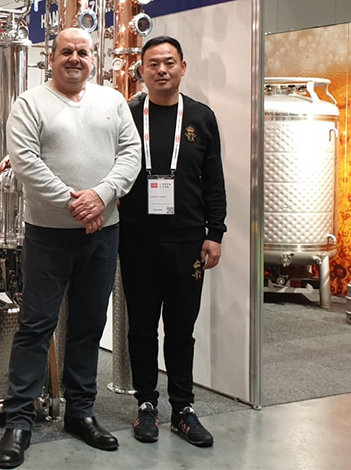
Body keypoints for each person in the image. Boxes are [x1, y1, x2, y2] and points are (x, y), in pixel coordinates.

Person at [0, 27, 141, 468]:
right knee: (36, 326)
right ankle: (19, 421)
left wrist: (101, 196)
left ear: (93, 58)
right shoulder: (30, 103)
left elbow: (131, 155)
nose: (74, 58)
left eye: (82, 51)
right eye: (66, 52)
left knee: (88, 325)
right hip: (48, 235)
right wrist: (75, 204)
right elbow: (26, 162)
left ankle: (80, 412)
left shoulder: (112, 101)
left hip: (103, 233)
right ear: (51, 58)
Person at [118, 35, 227, 448]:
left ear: (183, 67)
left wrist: (215, 233)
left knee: (181, 328)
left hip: (187, 241)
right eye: (153, 64)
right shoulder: (128, 114)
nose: (161, 70)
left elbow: (213, 179)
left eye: (169, 62)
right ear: (142, 70)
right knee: (142, 327)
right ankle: (146, 404)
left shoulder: (201, 116)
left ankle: (183, 407)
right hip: (136, 239)